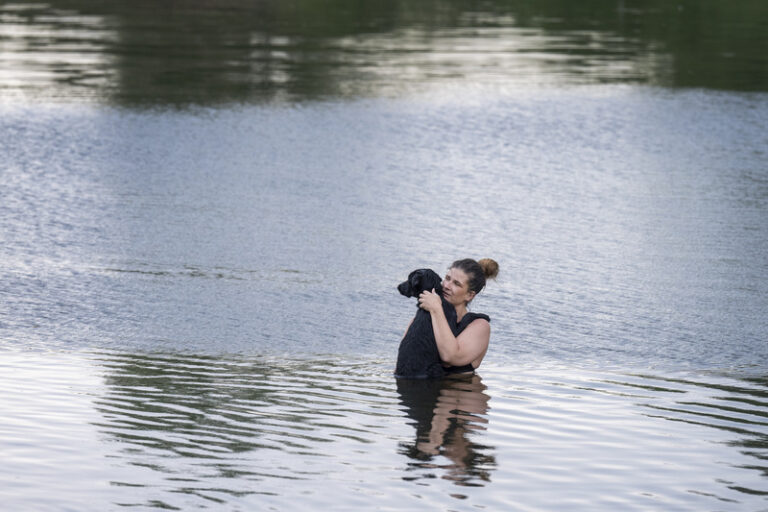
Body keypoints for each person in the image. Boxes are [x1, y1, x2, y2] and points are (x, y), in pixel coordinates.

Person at [417, 258, 499, 375]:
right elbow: (405, 351)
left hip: (457, 389)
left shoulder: (480, 326)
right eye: (447, 278)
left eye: (456, 283)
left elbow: (449, 356)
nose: (446, 286)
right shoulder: (429, 313)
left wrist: (436, 309)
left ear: (469, 295)